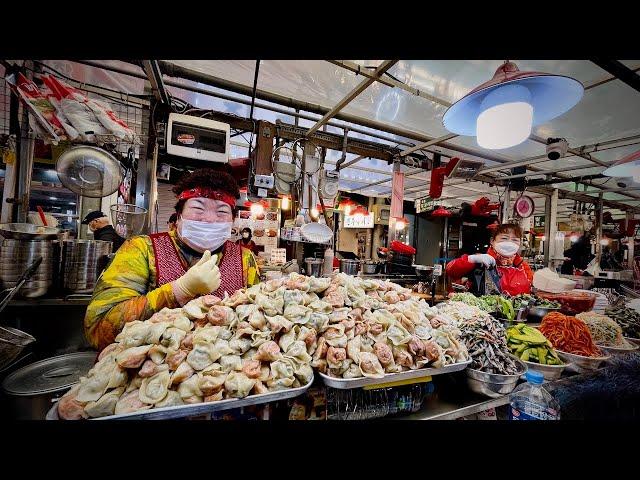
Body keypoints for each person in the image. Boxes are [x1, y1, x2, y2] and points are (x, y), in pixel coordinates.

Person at [84, 169, 260, 350]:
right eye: (198, 208)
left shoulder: (245, 259)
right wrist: (179, 290)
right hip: (151, 371)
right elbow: (98, 330)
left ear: (232, 220)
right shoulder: (141, 250)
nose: (209, 219)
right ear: (179, 215)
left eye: (222, 211)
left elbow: (259, 323)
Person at [446, 223, 533, 296]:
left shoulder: (523, 266)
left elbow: (530, 291)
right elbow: (451, 270)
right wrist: (472, 259)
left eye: (515, 240)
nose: (509, 243)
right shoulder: (481, 260)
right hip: (481, 314)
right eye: (504, 238)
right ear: (492, 241)